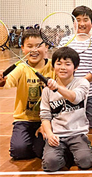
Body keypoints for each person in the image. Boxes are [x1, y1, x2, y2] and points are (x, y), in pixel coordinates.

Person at [0, 29, 55, 160]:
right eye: (29, 46)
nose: (34, 50)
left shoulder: (53, 67)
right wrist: (1, 82)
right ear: (23, 48)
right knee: (19, 152)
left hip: (49, 119)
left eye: (38, 45)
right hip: (24, 120)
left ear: (46, 47)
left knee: (42, 151)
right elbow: (8, 81)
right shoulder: (20, 68)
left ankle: (38, 145)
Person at [40, 47, 92, 172]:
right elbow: (45, 116)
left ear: (75, 67)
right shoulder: (46, 91)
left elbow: (75, 98)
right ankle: (66, 154)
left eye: (67, 64)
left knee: (86, 162)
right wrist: (49, 134)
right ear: (53, 66)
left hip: (77, 134)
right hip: (57, 135)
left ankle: (77, 152)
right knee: (50, 165)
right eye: (58, 64)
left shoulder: (82, 83)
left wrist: (57, 88)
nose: (63, 67)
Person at [59, 6, 92, 128]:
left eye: (85, 19)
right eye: (78, 20)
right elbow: (59, 65)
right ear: (73, 23)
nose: (81, 23)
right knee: (71, 123)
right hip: (69, 92)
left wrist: (80, 83)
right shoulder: (65, 42)